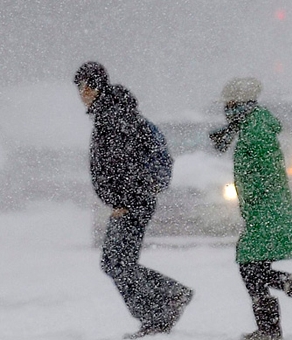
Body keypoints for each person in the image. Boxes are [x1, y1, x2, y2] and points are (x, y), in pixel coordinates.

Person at [209, 77, 292, 340]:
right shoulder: (249, 125)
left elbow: (266, 174)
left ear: (242, 103)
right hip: (263, 211)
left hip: (267, 211)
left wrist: (252, 198)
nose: (226, 108)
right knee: (254, 270)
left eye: (230, 103)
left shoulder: (255, 130)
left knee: (251, 268)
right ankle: (283, 319)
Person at [74, 61, 193, 339]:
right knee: (117, 263)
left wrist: (124, 200)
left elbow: (126, 163)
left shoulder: (114, 116)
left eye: (83, 87)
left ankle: (162, 306)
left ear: (94, 86)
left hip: (131, 203)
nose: (81, 93)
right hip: (131, 200)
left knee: (117, 263)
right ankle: (164, 305)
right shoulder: (112, 113)